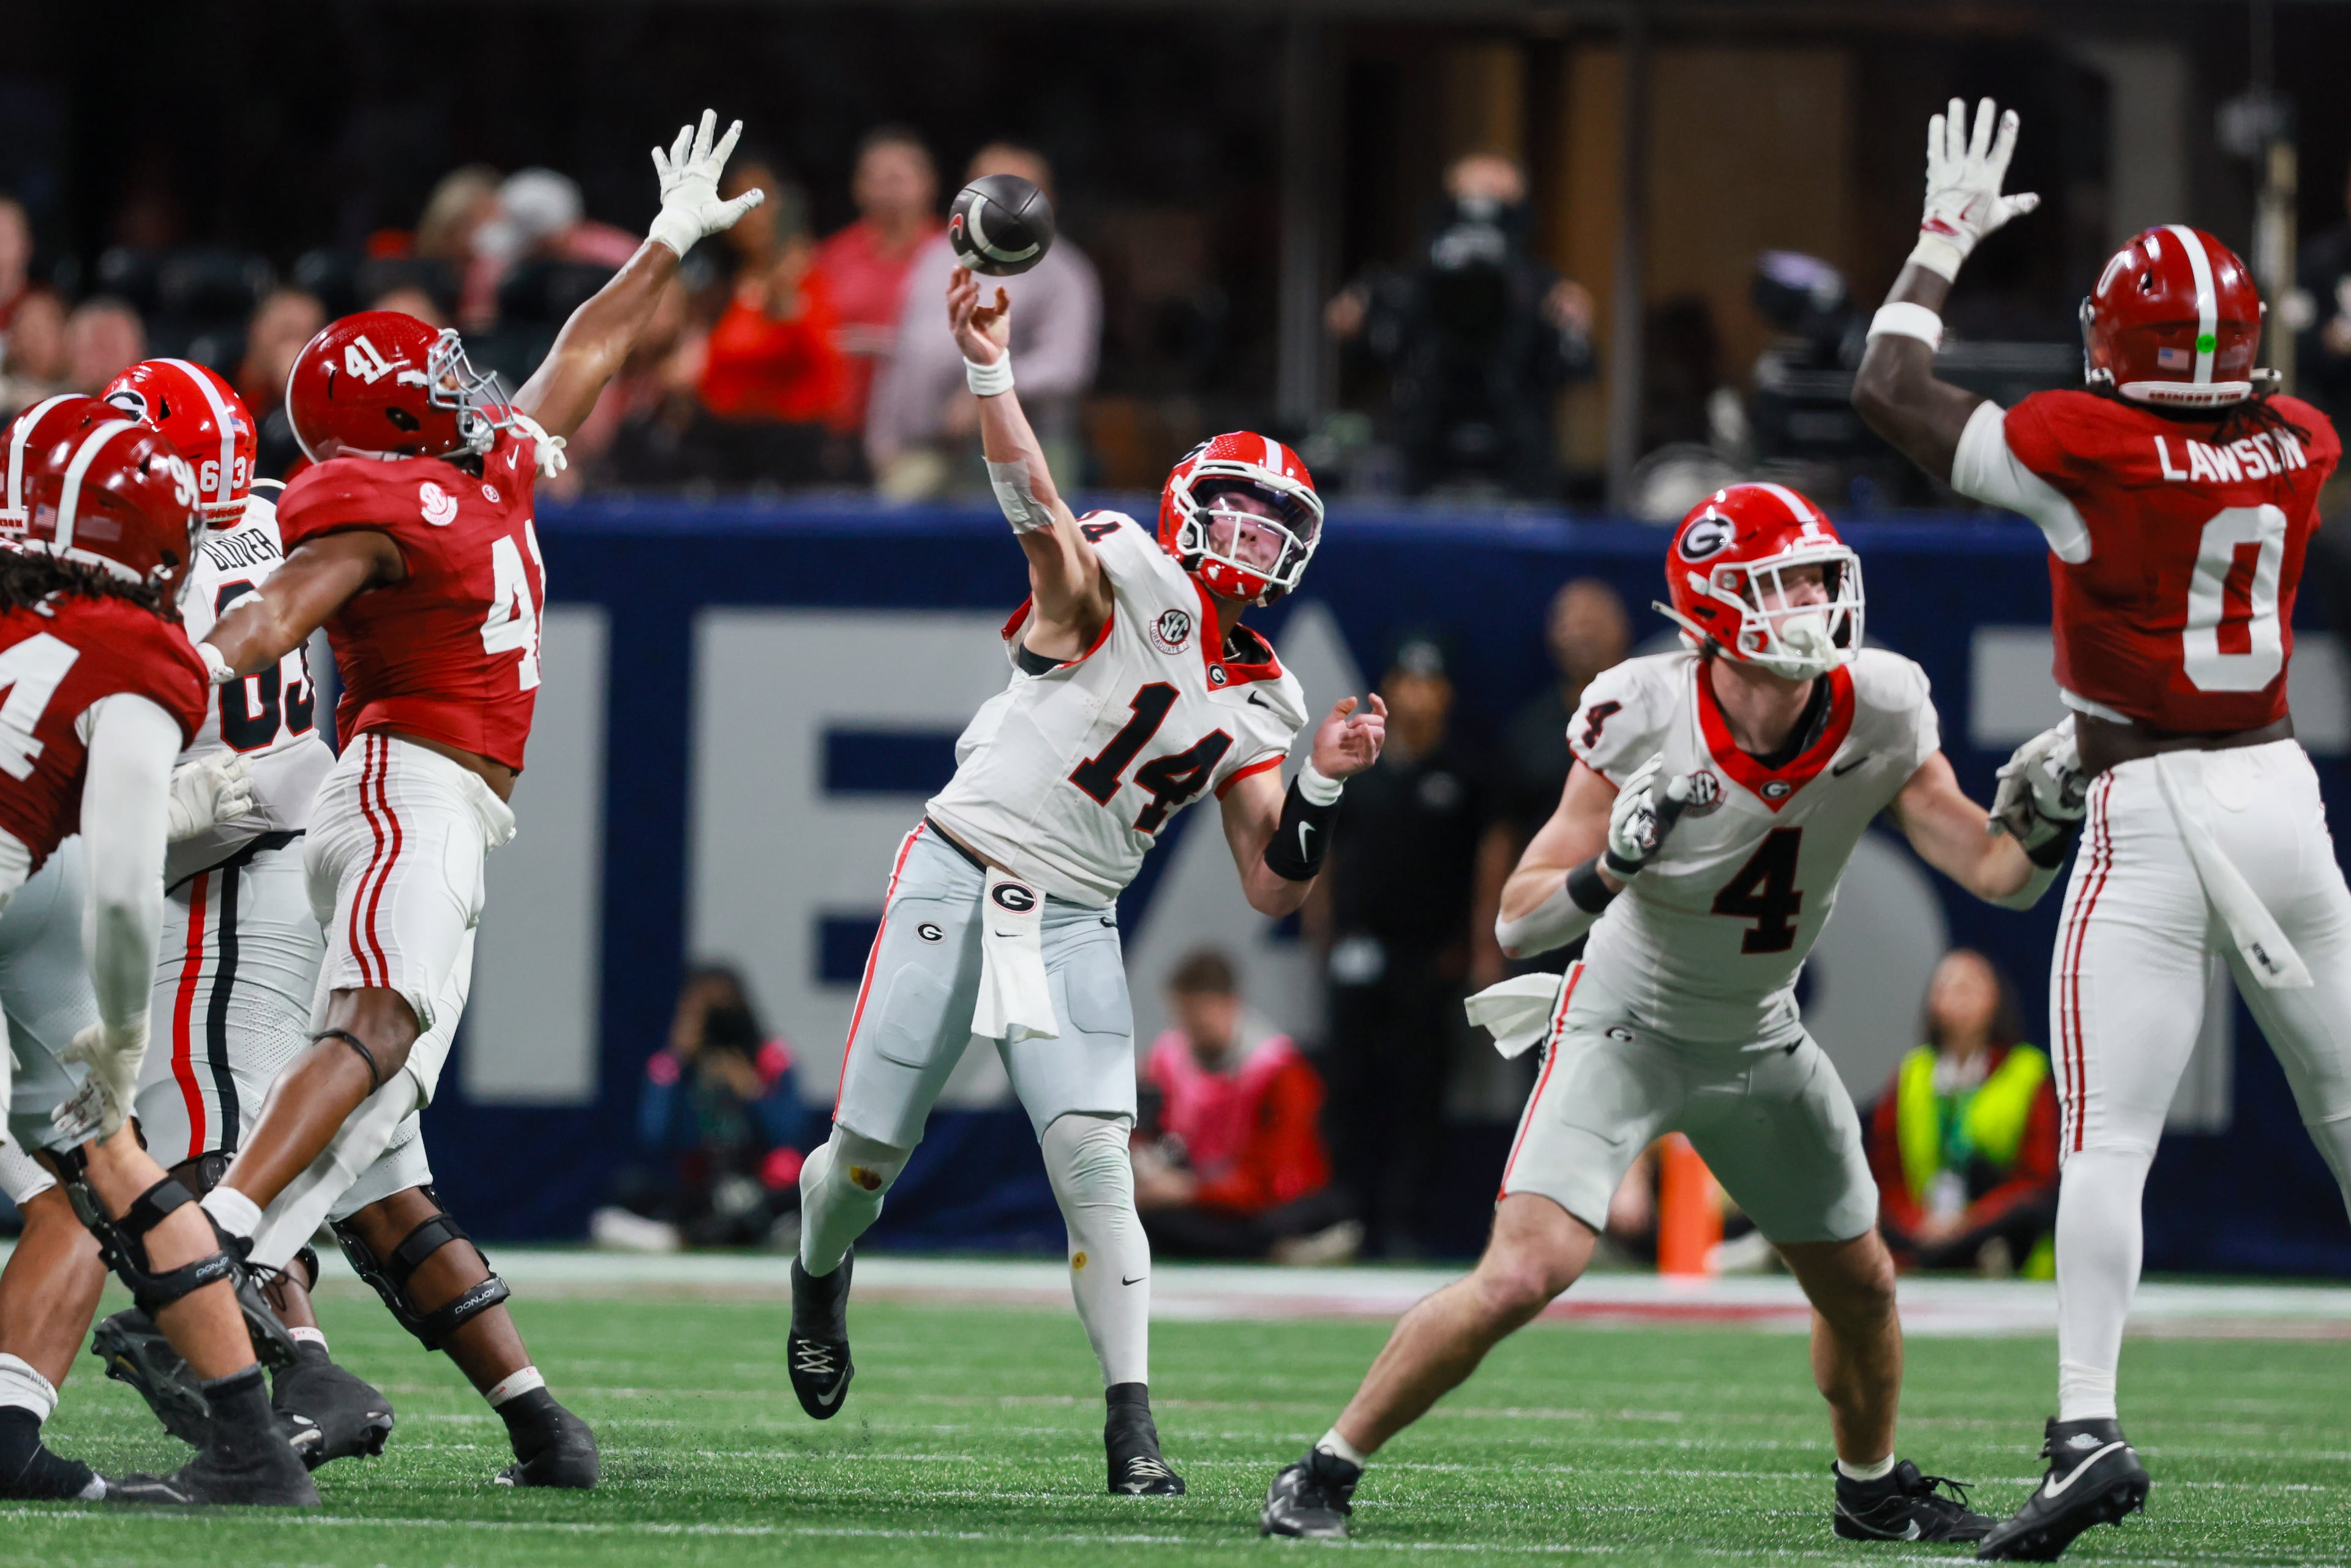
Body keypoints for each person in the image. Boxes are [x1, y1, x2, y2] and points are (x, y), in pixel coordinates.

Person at [1262, 482, 2077, 1544]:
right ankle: (1324, 1468)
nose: (1813, 599)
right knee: (1523, 1273)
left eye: (1818, 575)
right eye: (1781, 582)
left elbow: (1996, 872)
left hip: (1762, 1035)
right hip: (1627, 1024)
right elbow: (1518, 921)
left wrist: (2054, 813)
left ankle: (1870, 1489)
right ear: (1715, 608)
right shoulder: (1641, 710)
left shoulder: (1879, 702)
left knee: (1865, 1285)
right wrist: (1610, 867)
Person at [182, 110, 768, 1497]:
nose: (462, 383)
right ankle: (221, 1234)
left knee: (390, 1142)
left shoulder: (475, 464)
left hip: (436, 804)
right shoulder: (376, 492)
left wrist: (670, 239)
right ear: (385, 419)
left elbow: (589, 349)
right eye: (431, 378)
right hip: (399, 789)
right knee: (378, 1028)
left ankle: (535, 1422)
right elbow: (286, 608)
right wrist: (197, 670)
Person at [789, 262, 1384, 1496]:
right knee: (864, 1160)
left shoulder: (1271, 692)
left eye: (1281, 528)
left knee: (1097, 1163)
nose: (1258, 543)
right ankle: (817, 1267)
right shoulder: (1119, 568)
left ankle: (1132, 1424)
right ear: (1188, 508)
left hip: (1074, 919)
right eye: (1242, 514)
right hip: (960, 874)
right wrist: (991, 368)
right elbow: (1040, 515)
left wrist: (1323, 783)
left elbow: (1273, 884)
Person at [1851, 98, 2351, 1560]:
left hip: (2152, 815)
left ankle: (2083, 1428)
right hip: (2273, 795)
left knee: (2107, 1136)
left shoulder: (2087, 443)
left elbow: (1887, 388)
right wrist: (2085, 725)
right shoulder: (2300, 436)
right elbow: (2188, 625)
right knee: (2342, 1113)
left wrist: (1939, 243)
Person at [44, 359, 389, 1471]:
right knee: (183, 1151)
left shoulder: (150, 564)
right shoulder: (268, 514)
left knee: (190, 1156)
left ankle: (292, 1371)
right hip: (246, 835)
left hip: (225, 859)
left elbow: (148, 756)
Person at [0, 396, 313, 1506]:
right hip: (48, 885)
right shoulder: (129, 644)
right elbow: (129, 893)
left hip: (30, 869)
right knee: (105, 1161)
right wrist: (123, 1040)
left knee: (76, 1175)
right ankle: (251, 1445)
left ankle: (15, 1430)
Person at [1318, 632, 1494, 1256]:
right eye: (1406, 680)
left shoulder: (1466, 771)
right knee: (1350, 1082)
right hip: (1359, 949)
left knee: (1420, 1089)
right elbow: (1326, 856)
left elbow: (1489, 863)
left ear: (1446, 694)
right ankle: (1348, 1213)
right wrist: (1326, 938)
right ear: (1387, 689)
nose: (1416, 695)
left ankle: (1402, 1220)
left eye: (1429, 682)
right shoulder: (1358, 766)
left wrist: (1476, 947)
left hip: (1429, 956)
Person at [1324, 152, 1594, 498]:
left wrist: (1571, 324)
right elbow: (1357, 339)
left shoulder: (1543, 291)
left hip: (1518, 455)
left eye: (1498, 201)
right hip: (1422, 449)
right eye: (1468, 200)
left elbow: (1577, 369)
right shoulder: (1407, 286)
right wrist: (1360, 315)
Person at [864, 143, 1100, 498]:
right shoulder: (936, 257)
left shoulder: (1063, 271)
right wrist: (882, 438)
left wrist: (987, 389)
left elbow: (1066, 367)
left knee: (1025, 551)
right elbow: (906, 353)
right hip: (926, 449)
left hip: (1025, 453)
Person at [1132, 950, 1352, 1263]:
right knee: (1144, 1214)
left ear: (1230, 1006)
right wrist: (1149, 1170)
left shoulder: (1282, 1072)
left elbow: (1273, 1177)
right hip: (1205, 1193)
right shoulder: (1165, 1061)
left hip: (1266, 1197)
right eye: (1184, 1019)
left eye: (1201, 1021)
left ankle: (1275, 1245)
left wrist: (1189, 1190)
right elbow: (1147, 1135)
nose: (1191, 1031)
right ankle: (1283, 1251)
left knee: (1285, 1218)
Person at [1865, 950, 2058, 1276]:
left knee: (2033, 1211)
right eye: (1946, 988)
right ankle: (1940, 1255)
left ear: (1995, 999)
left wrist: (1970, 1221)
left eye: (1969, 987)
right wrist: (1920, 1223)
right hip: (1922, 1225)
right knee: (1860, 1207)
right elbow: (1886, 1173)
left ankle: (1961, 1254)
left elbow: (2038, 1177)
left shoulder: (2028, 1070)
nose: (1958, 998)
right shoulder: (1912, 1072)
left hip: (1992, 1222)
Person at [597, 966, 813, 1250]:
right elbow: (656, 1139)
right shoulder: (671, 1068)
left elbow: (790, 1136)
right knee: (630, 1189)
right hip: (699, 1186)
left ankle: (701, 1235)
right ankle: (700, 1234)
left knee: (812, 1195)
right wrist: (680, 1071)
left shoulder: (772, 1058)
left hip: (762, 1186)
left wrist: (752, 1093)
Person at [1482, 579, 1633, 978]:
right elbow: (1502, 838)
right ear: (1552, 636)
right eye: (1571, 621)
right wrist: (1487, 945)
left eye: (1595, 621)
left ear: (1623, 629)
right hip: (1550, 927)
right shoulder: (1529, 729)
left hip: (1637, 928)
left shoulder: (1656, 717)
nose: (1582, 632)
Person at [814, 127, 941, 435]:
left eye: (897, 179)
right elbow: (812, 331)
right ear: (857, 188)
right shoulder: (833, 257)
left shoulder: (950, 255)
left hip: (928, 425)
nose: (886, 192)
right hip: (842, 423)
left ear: (929, 184)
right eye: (875, 180)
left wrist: (885, 345)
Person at [234, 288, 325, 482]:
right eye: (287, 333)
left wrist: (297, 393)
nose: (295, 348)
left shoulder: (321, 416)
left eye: (307, 337)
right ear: (255, 328)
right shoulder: (222, 385)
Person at [0, 288, 69, 418]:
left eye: (42, 331)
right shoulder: (4, 393)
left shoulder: (78, 392)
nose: (32, 342)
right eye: (26, 330)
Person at [63, 298, 143, 396]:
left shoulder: (161, 405)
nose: (102, 360)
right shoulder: (50, 408)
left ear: (138, 351)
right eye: (93, 349)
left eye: (112, 350)